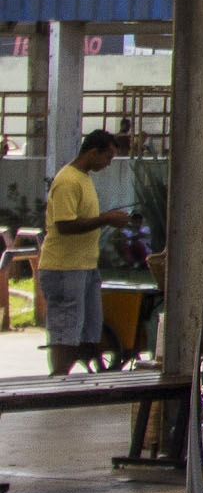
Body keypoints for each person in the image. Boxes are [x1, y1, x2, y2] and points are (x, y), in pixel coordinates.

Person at [38, 130, 130, 377]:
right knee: (66, 330)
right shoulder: (68, 181)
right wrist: (105, 219)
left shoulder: (84, 178)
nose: (109, 164)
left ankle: (71, 375)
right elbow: (64, 225)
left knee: (88, 330)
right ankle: (58, 379)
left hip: (85, 267)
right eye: (108, 157)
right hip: (63, 268)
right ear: (93, 152)